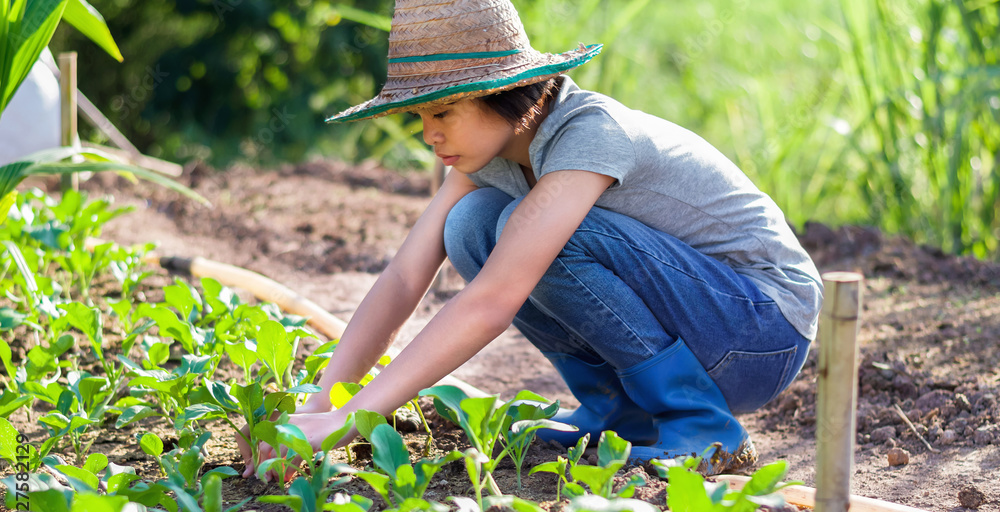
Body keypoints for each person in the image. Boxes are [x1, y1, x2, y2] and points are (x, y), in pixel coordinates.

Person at [239, 0, 823, 480]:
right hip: (706, 323)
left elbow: (493, 298)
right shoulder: (491, 156)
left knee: (540, 234)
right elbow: (402, 277)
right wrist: (320, 407)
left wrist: (351, 422)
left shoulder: (589, 134)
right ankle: (619, 413)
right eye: (419, 118)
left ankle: (703, 428)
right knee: (469, 224)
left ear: (509, 91)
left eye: (443, 111)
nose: (428, 134)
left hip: (758, 333)